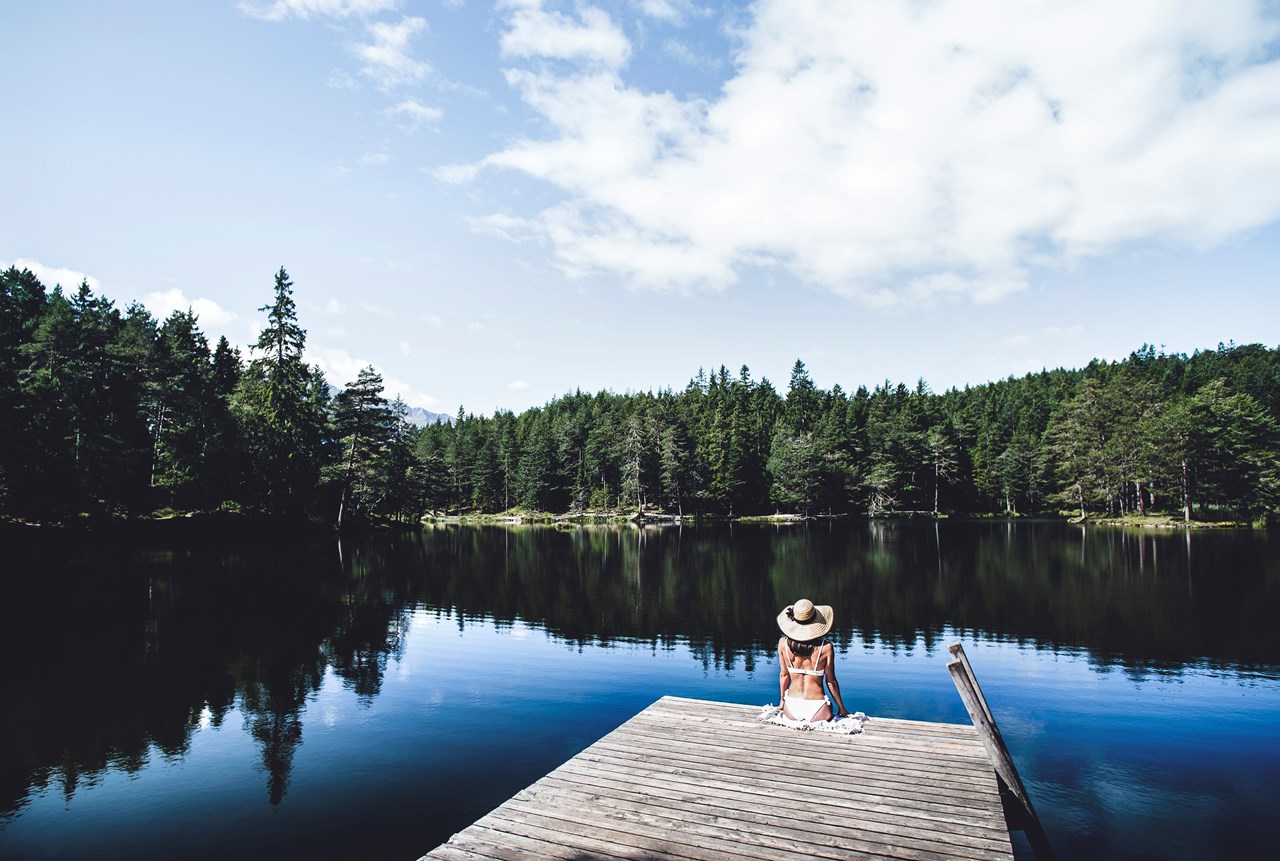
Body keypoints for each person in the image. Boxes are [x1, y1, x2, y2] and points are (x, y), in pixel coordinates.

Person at [776, 598, 851, 723]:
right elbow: (831, 681)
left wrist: (782, 702)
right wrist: (842, 708)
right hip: (818, 708)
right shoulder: (826, 648)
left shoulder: (783, 643)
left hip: (792, 707)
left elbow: (784, 675)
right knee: (829, 709)